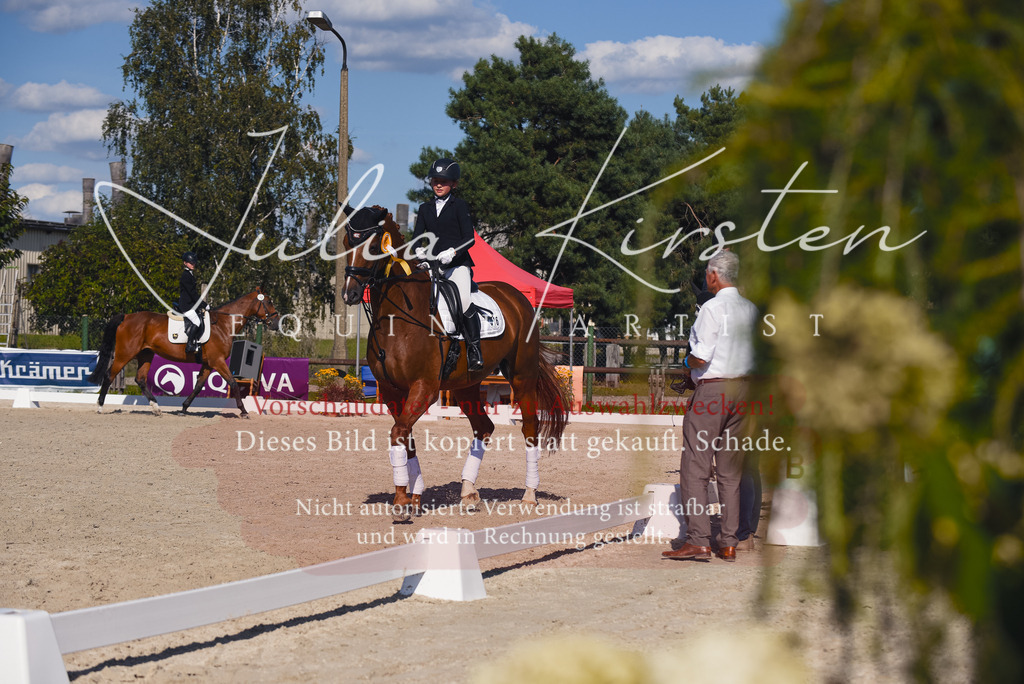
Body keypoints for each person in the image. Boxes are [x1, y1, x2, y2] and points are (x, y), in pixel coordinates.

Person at [663, 250, 757, 562]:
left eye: (707, 273)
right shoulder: (752, 310)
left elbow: (701, 356)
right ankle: (729, 541)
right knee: (730, 472)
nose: (707, 277)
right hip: (744, 390)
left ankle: (698, 539)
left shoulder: (711, 308)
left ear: (714, 275)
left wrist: (686, 362)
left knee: (695, 465)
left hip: (713, 391)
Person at [412, 157, 483, 371]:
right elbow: (417, 236)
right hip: (432, 266)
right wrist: (418, 251)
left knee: (462, 301)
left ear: (454, 183)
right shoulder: (425, 208)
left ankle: (474, 349)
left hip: (456, 265)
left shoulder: (459, 206)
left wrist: (452, 252)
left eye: (443, 181)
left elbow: (469, 238)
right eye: (435, 180)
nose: (439, 184)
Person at [177, 251, 209, 354]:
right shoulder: (186, 276)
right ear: (185, 263)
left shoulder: (190, 274)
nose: (193, 264)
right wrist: (204, 305)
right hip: (186, 306)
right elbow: (192, 294)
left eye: (194, 263)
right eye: (191, 263)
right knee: (197, 322)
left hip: (191, 305)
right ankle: (189, 345)